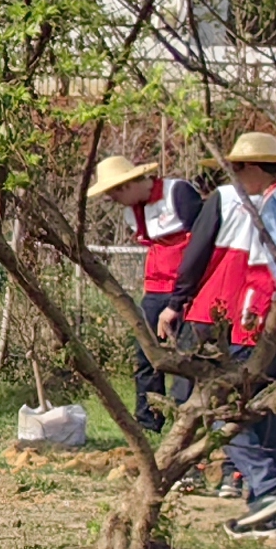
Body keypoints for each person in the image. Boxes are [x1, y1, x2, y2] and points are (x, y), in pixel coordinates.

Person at [168, 129, 276, 535]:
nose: (231, 174)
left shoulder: (261, 203)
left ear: (252, 167)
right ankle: (265, 516)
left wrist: (178, 300)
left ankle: (269, 487)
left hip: (251, 319)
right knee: (269, 414)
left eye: (236, 166)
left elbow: (271, 269)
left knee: (222, 409)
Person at [93, 153, 208, 438]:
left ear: (125, 186)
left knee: (186, 358)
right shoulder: (132, 211)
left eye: (113, 194)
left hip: (189, 291)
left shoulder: (177, 193)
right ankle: (148, 422)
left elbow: (202, 242)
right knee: (146, 356)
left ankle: (186, 423)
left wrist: (182, 296)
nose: (113, 201)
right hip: (155, 291)